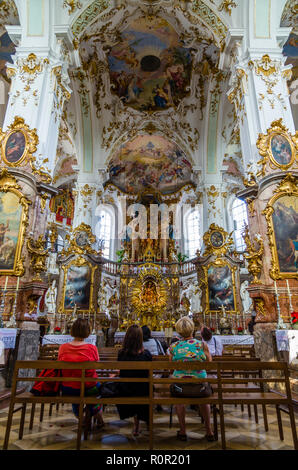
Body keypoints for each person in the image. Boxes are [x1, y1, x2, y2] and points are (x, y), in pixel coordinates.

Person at [168, 316, 214, 441]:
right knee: (204, 401)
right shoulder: (202, 345)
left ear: (178, 331)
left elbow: (171, 369)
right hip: (200, 387)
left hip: (180, 388)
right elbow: (209, 365)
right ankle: (209, 431)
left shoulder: (173, 347)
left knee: (179, 402)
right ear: (193, 329)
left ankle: (182, 431)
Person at [58, 318, 103, 426]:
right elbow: (97, 364)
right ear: (87, 331)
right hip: (89, 387)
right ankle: (97, 416)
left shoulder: (63, 348)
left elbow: (59, 365)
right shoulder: (92, 348)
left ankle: (81, 418)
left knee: (76, 389)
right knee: (95, 391)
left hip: (68, 387)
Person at [117, 325, 152, 436]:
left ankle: (136, 425)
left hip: (125, 390)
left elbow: (120, 371)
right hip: (144, 391)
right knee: (143, 386)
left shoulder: (121, 354)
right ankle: (144, 423)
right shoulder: (146, 355)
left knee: (133, 386)